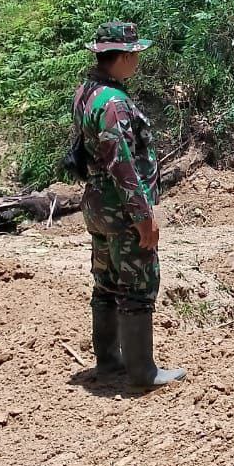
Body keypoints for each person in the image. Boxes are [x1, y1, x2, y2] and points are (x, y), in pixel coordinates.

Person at [73, 21, 185, 390]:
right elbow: (121, 164)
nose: (137, 61)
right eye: (133, 54)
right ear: (119, 57)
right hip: (121, 210)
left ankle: (109, 362)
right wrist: (143, 217)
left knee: (105, 283)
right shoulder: (115, 103)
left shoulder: (87, 92)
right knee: (137, 285)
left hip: (97, 206)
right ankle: (142, 372)